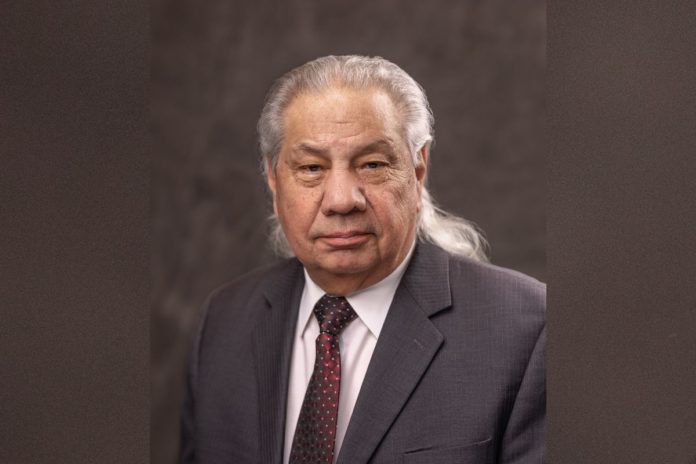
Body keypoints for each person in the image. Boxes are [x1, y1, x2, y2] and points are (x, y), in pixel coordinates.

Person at [180, 55, 545, 464]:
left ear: (418, 168)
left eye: (372, 164)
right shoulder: (223, 322)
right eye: (311, 167)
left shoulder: (526, 331)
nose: (341, 200)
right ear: (272, 178)